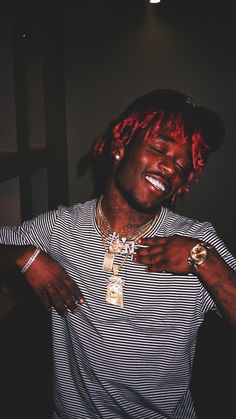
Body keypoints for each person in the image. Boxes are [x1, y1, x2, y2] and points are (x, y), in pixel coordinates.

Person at [1, 88, 236, 419]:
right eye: (159, 149)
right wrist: (23, 257)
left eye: (182, 165)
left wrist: (205, 261)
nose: (170, 168)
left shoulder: (197, 240)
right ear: (121, 146)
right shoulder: (61, 228)